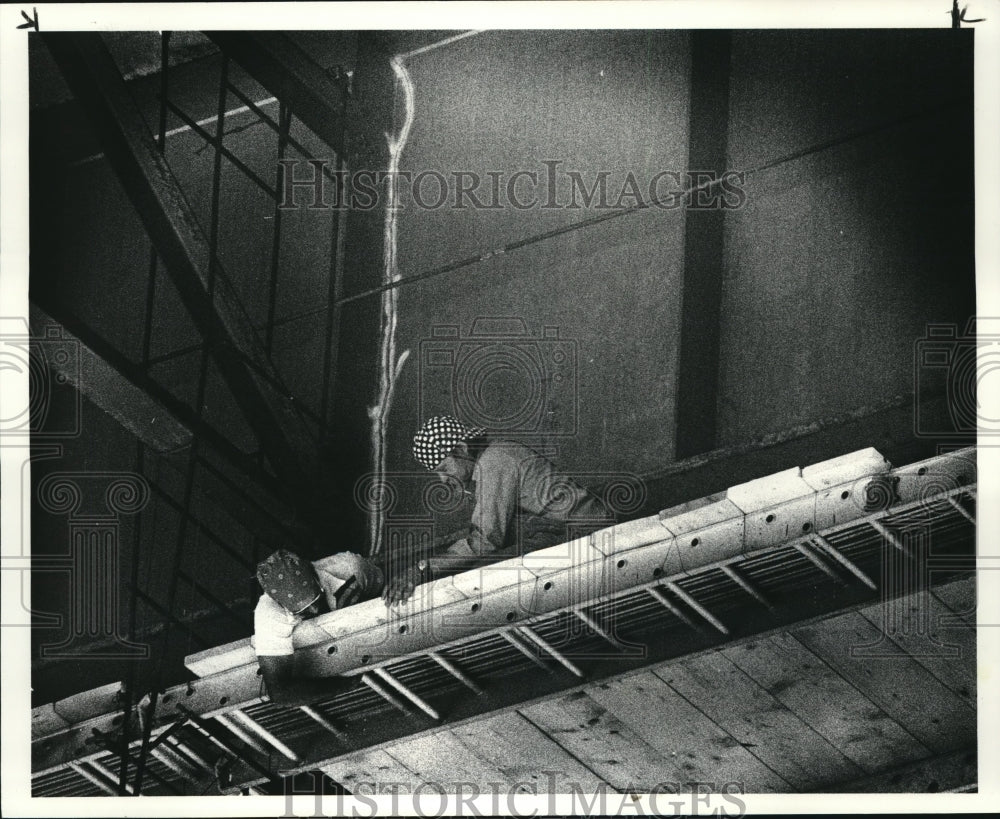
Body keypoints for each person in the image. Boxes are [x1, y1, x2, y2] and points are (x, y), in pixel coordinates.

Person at [383, 416, 615, 604]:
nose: (443, 479)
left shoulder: (493, 463)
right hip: (570, 529)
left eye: (444, 468)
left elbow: (485, 540)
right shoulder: (495, 456)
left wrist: (421, 569)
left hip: (582, 531)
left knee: (480, 573)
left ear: (462, 449)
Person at [253, 548, 384, 705]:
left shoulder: (348, 567)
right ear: (280, 604)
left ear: (314, 575)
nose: (314, 610)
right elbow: (280, 692)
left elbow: (387, 594)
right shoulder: (268, 613)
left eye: (316, 600)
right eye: (304, 610)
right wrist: (347, 684)